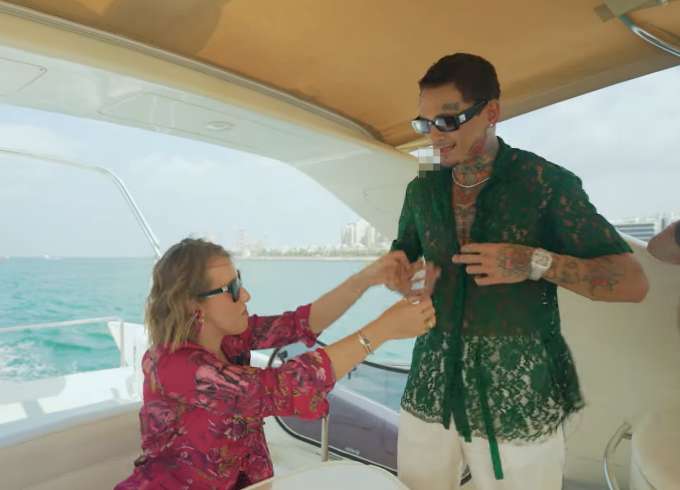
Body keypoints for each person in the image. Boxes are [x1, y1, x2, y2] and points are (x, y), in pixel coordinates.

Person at [390, 53, 649, 490]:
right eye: (425, 123)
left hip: (517, 400)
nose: (434, 135)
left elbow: (631, 282)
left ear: (491, 112)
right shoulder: (421, 189)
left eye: (447, 121)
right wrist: (400, 273)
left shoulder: (545, 183)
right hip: (431, 390)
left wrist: (534, 262)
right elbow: (403, 253)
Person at [115, 237, 435, 490]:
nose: (246, 295)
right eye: (232, 289)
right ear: (191, 305)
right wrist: (382, 330)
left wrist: (365, 279)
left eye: (240, 281)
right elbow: (281, 387)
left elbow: (300, 323)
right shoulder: (176, 367)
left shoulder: (229, 339)